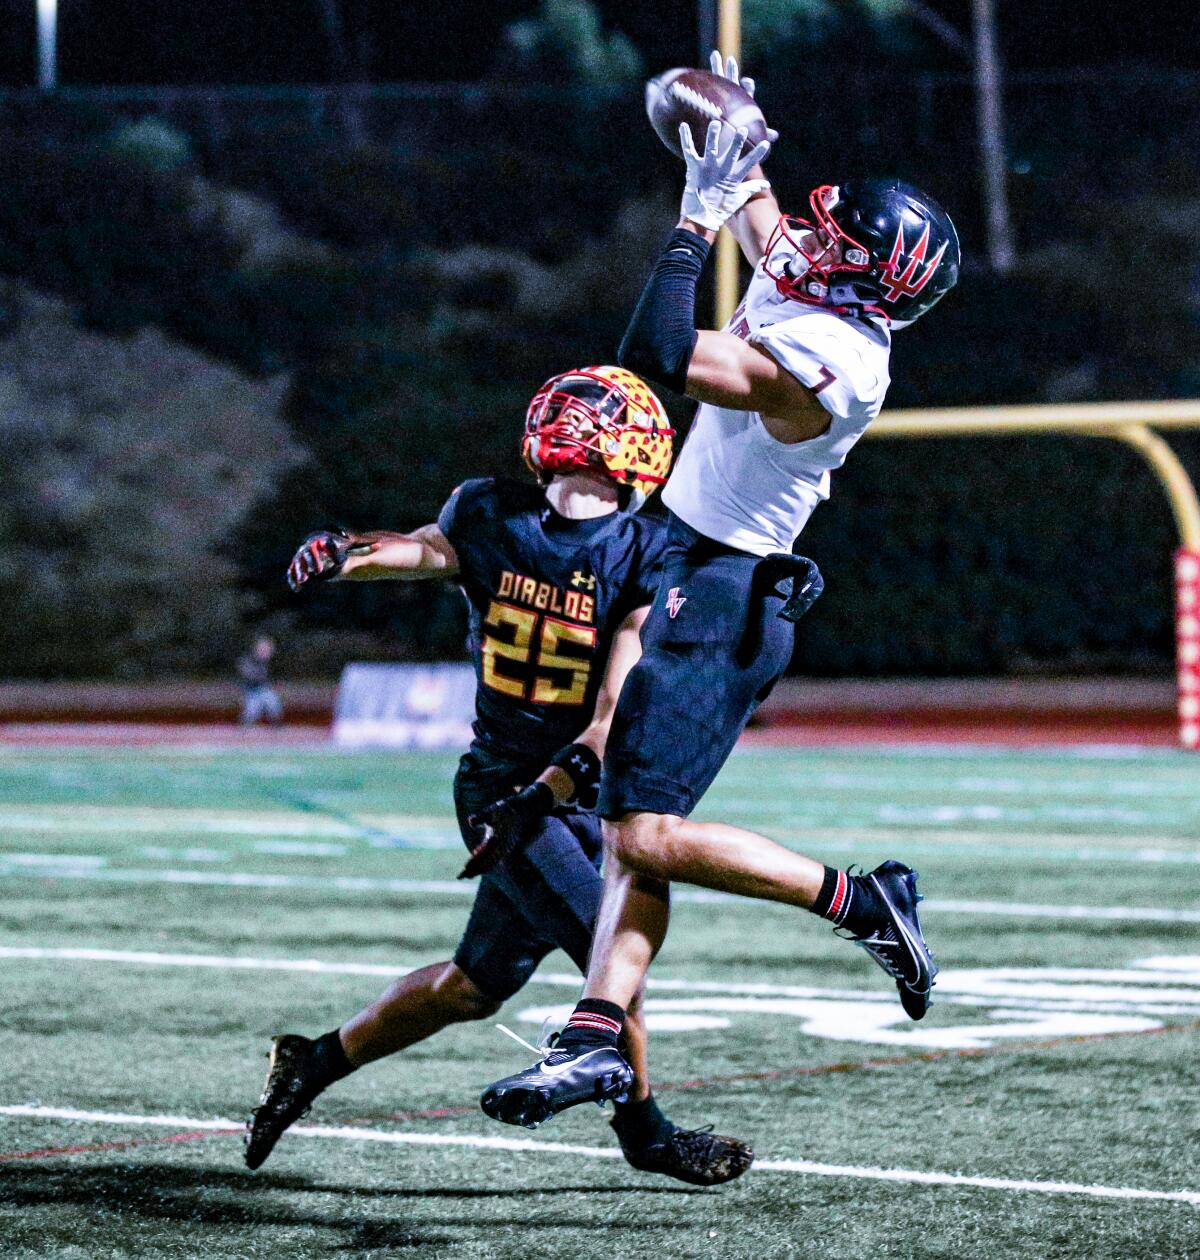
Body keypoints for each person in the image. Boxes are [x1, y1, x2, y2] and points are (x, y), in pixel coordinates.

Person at [481, 53, 960, 1129]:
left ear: (867, 279)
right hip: (678, 557)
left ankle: (858, 897)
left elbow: (648, 356)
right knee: (628, 817)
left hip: (730, 586)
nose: (811, 238)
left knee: (642, 833)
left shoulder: (831, 358)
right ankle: (598, 1032)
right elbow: (760, 204)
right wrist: (724, 134)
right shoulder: (823, 278)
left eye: (837, 240)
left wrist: (692, 224)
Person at [244, 365, 754, 1186]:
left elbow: (614, 701)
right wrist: (349, 556)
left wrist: (555, 788)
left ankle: (313, 1062)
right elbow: (426, 550)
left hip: (566, 794)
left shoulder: (641, 549)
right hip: (500, 794)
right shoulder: (497, 515)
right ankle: (647, 1135)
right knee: (611, 954)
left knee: (472, 987)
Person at [237, 635, 284, 726]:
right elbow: (247, 675)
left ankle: (276, 727)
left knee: (273, 703)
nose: (266, 652)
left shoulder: (271, 662)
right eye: (263, 649)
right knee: (251, 713)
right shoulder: (248, 660)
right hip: (251, 692)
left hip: (265, 690)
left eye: (268, 649)